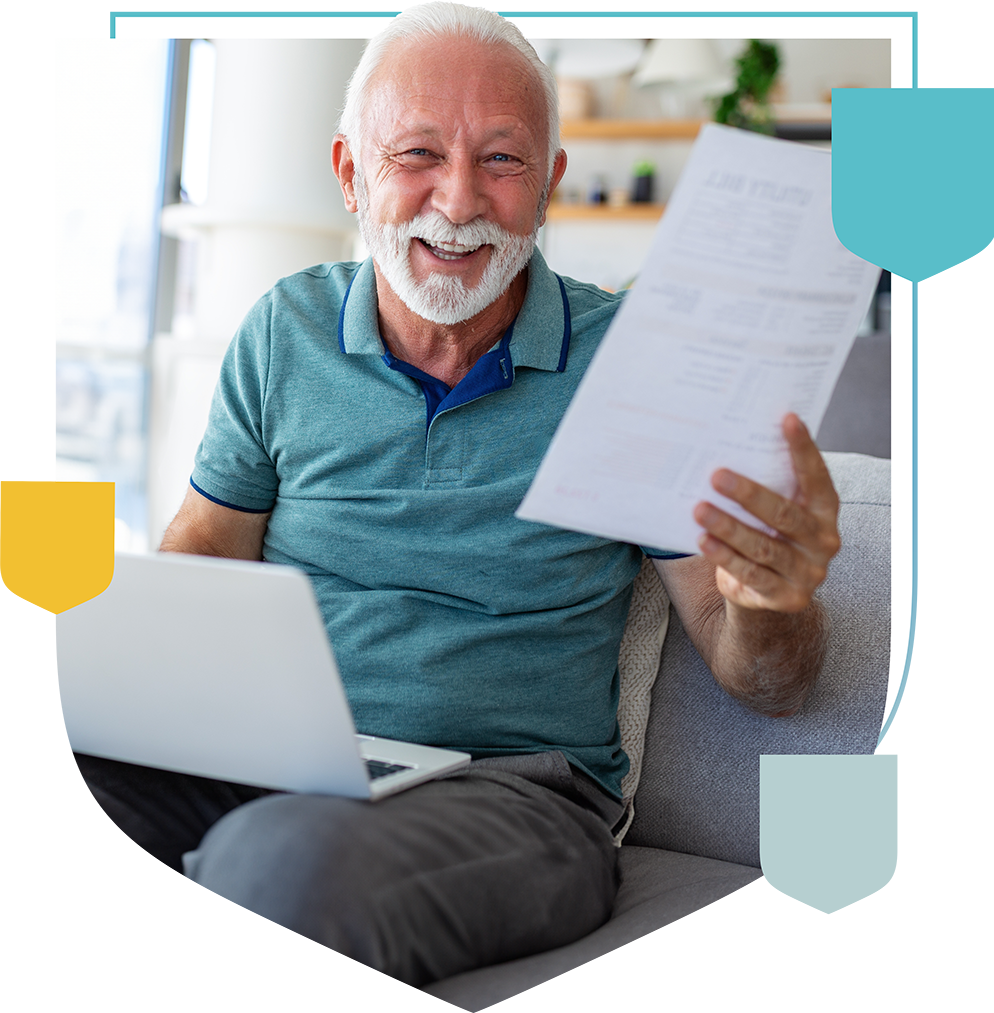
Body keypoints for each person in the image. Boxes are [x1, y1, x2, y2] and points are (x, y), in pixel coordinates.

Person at [73, 6, 840, 1012]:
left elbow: (762, 677)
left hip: (514, 796)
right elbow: (207, 548)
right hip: (278, 757)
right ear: (351, 173)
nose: (458, 200)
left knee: (279, 866)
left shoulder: (636, 362)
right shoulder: (284, 330)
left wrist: (772, 604)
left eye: (502, 161)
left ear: (550, 187)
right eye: (419, 153)